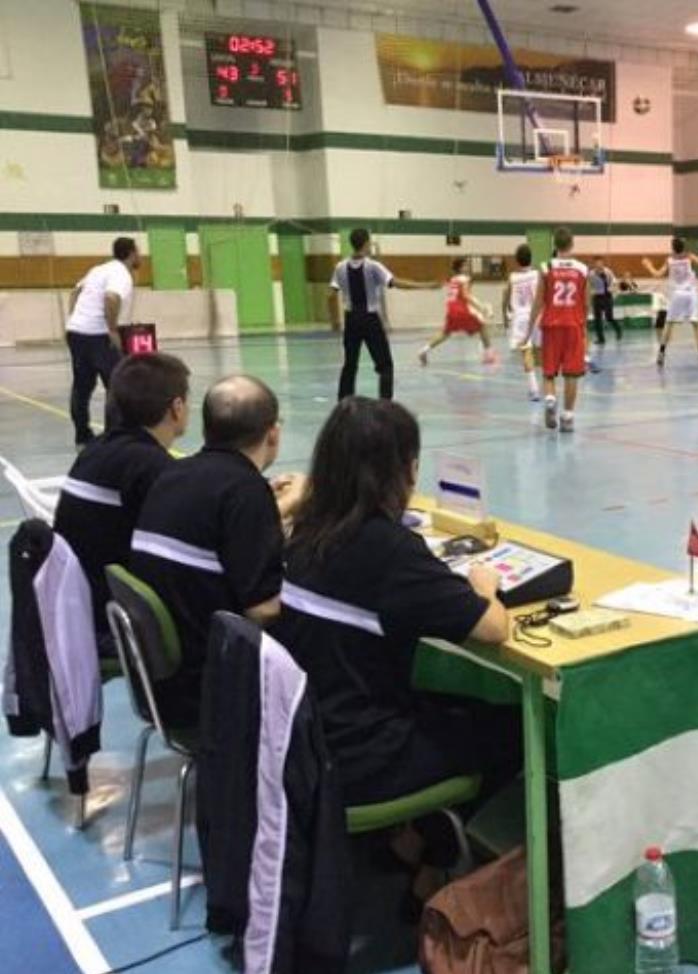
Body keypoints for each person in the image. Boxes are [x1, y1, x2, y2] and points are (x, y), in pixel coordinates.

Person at [275, 398, 517, 889]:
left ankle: (409, 836)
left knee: (444, 701)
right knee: (513, 727)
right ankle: (433, 854)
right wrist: (484, 587)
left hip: (305, 737)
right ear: (406, 469)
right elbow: (494, 629)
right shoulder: (389, 549)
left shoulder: (307, 530)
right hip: (363, 756)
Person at [128, 375, 298, 727]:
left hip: (157, 681)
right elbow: (264, 610)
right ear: (273, 433)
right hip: (213, 687)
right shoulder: (245, 492)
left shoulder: (173, 475)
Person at [53, 353, 190, 652]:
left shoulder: (98, 450)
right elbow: (196, 532)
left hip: (77, 605)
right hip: (113, 621)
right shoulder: (148, 464)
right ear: (177, 408)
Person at [328, 229, 436, 401]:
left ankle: (344, 402)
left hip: (351, 320)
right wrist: (424, 286)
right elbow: (396, 283)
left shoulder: (340, 267)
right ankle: (385, 403)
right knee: (385, 365)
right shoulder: (373, 266)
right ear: (365, 243)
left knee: (350, 364)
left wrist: (334, 320)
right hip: (370, 319)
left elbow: (331, 294)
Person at [65, 237, 139, 447]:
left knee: (82, 386)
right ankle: (112, 438)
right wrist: (112, 328)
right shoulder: (121, 274)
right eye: (138, 252)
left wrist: (73, 320)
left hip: (76, 332)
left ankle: (82, 434)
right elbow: (111, 298)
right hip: (97, 335)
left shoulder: (98, 269)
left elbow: (75, 291)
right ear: (132, 253)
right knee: (116, 385)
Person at [530, 228, 588, 433]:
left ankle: (550, 399)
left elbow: (538, 302)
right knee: (572, 374)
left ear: (555, 244)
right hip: (573, 325)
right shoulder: (582, 269)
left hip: (551, 326)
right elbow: (585, 303)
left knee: (549, 373)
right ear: (572, 244)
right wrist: (585, 330)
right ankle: (568, 417)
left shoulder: (546, 268)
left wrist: (529, 328)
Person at [643, 238, 698, 368]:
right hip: (690, 294)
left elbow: (657, 274)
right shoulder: (690, 257)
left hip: (677, 295)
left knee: (669, 324)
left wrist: (648, 265)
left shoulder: (669, 260)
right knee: (696, 325)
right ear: (684, 246)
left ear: (673, 247)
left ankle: (661, 353)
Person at [417, 258, 497, 367]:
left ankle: (423, 350)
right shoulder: (465, 279)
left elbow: (458, 296)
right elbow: (466, 295)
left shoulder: (452, 279)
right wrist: (481, 307)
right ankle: (489, 357)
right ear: (460, 267)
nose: (468, 267)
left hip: (451, 310)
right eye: (466, 265)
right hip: (461, 310)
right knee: (482, 327)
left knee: (445, 334)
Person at [503, 244, 542, 402]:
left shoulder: (512, 278)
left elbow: (505, 299)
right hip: (537, 316)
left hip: (520, 318)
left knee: (526, 352)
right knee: (539, 351)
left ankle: (533, 389)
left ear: (517, 261)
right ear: (530, 259)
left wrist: (504, 317)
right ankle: (547, 384)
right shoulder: (537, 274)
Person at [589, 257, 623, 346]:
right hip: (597, 297)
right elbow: (589, 285)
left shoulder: (608, 272)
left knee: (609, 317)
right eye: (596, 263)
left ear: (602, 263)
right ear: (594, 264)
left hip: (607, 297)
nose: (598, 265)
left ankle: (618, 330)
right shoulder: (591, 274)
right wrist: (591, 292)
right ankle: (601, 339)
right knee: (597, 319)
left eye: (600, 263)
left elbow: (614, 281)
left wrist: (612, 288)